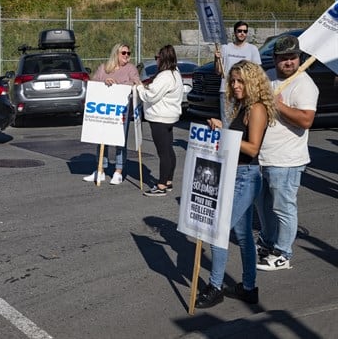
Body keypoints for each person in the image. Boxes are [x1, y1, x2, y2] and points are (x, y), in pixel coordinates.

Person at [195, 60, 276, 308]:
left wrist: (224, 133)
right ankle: (249, 288)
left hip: (246, 176)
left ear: (252, 82)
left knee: (218, 231)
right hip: (236, 174)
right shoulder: (244, 107)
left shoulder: (257, 109)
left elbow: (252, 148)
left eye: (240, 81)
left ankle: (215, 286)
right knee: (243, 236)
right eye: (233, 81)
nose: (235, 85)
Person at [256, 34, 318, 271]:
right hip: (264, 157)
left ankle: (283, 253)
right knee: (263, 206)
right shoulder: (268, 77)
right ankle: (269, 242)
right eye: (283, 58)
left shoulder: (304, 84)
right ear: (274, 59)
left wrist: (278, 105)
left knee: (283, 207)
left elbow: (306, 120)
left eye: (292, 57)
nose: (288, 62)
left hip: (287, 159)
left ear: (299, 57)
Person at [82, 42, 140, 184]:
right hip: (104, 110)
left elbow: (138, 84)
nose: (127, 56)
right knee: (101, 139)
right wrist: (105, 82)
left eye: (128, 53)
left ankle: (118, 171)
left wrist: (119, 86)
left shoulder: (130, 69)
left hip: (122, 111)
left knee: (120, 141)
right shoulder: (103, 68)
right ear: (116, 54)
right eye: (124, 53)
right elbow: (94, 83)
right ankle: (100, 169)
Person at [136, 45, 184, 197]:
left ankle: (161, 185)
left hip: (160, 118)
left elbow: (150, 96)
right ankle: (168, 180)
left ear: (163, 59)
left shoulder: (165, 76)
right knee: (169, 150)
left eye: (157, 57)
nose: (155, 60)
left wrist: (139, 88)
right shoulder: (175, 72)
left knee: (163, 153)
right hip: (170, 116)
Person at [214, 21, 261, 126]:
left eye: (245, 31)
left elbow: (257, 71)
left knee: (243, 123)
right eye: (239, 31)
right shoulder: (225, 48)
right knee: (227, 123)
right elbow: (218, 71)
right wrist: (216, 59)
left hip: (245, 91)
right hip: (227, 90)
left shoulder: (252, 49)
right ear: (235, 33)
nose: (242, 33)